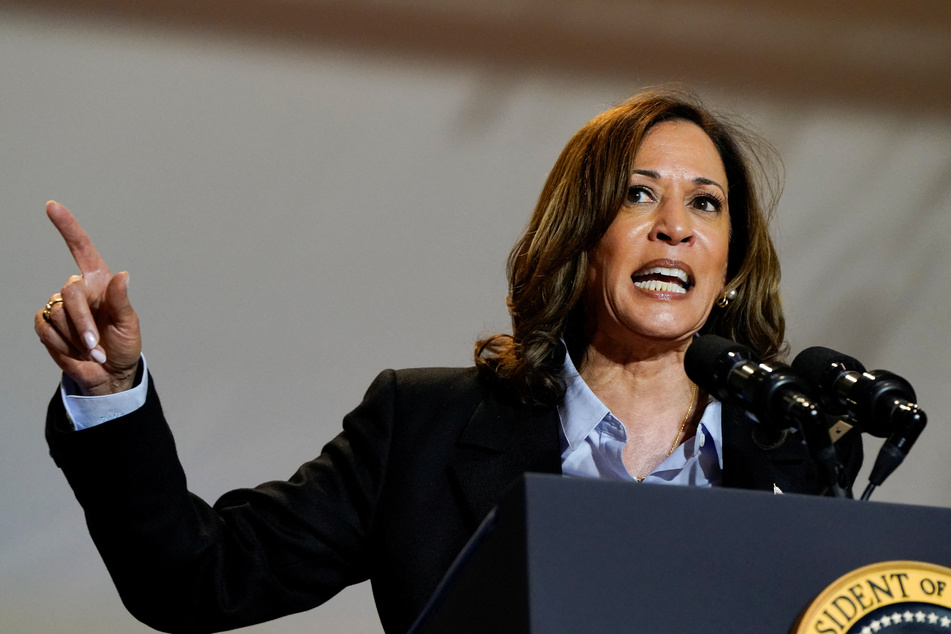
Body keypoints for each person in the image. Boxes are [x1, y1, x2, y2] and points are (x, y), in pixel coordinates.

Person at [36, 90, 860, 633]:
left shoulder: (798, 458)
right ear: (578, 239)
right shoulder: (423, 431)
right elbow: (197, 578)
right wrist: (110, 393)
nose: (674, 225)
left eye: (705, 203)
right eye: (637, 193)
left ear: (729, 264)